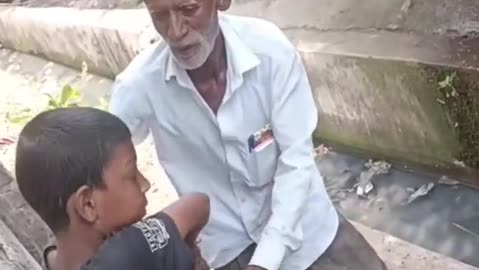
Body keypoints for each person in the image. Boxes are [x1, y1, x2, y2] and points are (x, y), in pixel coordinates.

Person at [110, 0, 388, 269]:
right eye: (159, 15)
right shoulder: (139, 86)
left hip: (309, 234)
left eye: (188, 9)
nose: (176, 32)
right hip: (228, 252)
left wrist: (267, 259)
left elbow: (297, 159)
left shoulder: (269, 51)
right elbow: (99, 161)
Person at [15, 107, 210, 270]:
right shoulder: (129, 252)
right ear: (88, 204)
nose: (145, 184)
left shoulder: (53, 257)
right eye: (132, 175)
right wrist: (188, 250)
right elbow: (197, 204)